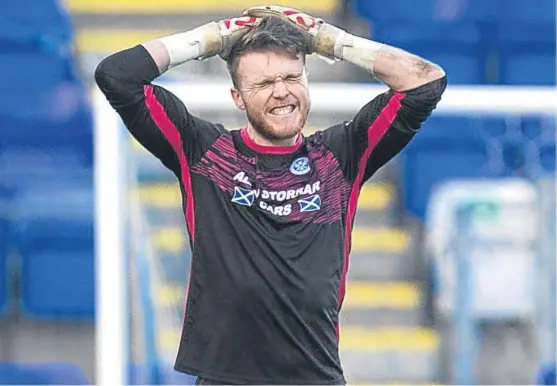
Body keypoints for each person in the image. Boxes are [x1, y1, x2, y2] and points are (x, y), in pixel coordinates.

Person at [95, 5, 447, 385]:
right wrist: (211, 38)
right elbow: (117, 76)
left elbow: (424, 82)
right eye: (263, 83)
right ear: (238, 97)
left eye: (292, 77)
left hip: (314, 378)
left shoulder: (341, 155)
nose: (282, 92)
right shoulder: (204, 151)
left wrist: (330, 40)